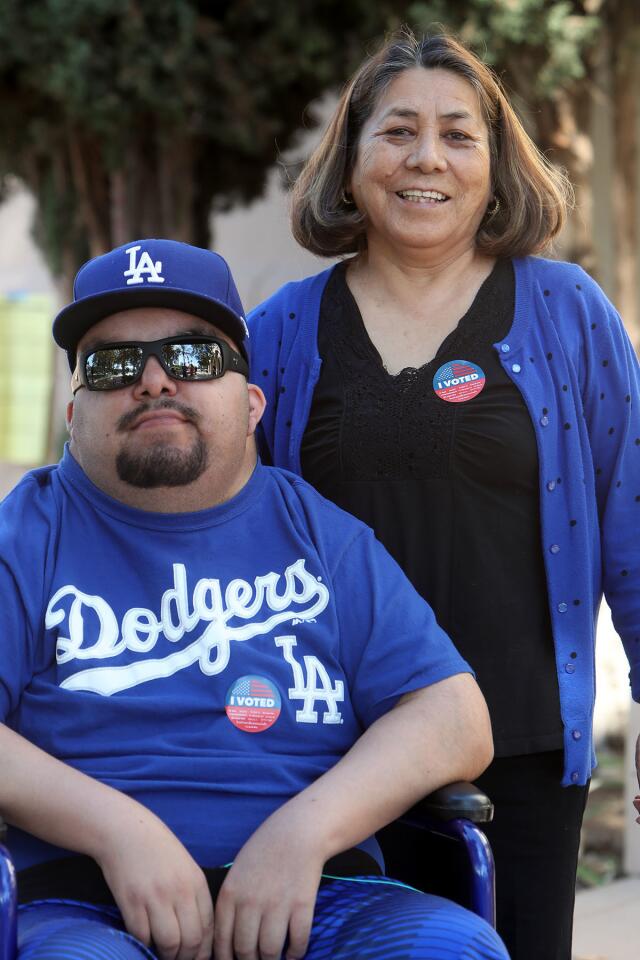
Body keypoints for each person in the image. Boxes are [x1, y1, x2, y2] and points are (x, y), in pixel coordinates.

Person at [0, 238, 509, 960]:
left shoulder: (321, 534)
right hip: (83, 902)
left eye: (193, 358)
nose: (152, 381)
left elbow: (456, 718)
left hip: (327, 892)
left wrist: (301, 836)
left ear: (251, 403)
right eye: (112, 364)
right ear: (75, 408)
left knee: (449, 950)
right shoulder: (26, 533)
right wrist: (117, 831)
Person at [246, 28, 640, 960]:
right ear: (350, 165)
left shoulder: (567, 311)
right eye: (398, 132)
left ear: (496, 168)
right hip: (325, 765)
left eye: (459, 135)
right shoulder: (280, 331)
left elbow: (633, 530)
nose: (427, 157)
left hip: (526, 757)